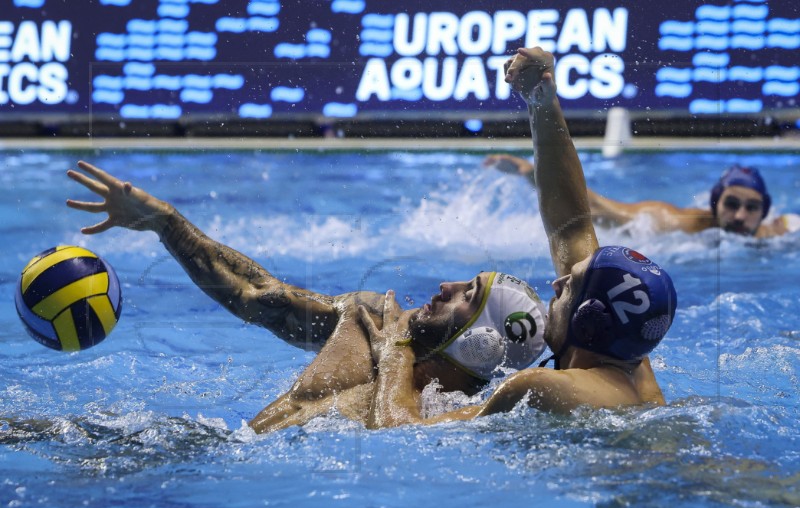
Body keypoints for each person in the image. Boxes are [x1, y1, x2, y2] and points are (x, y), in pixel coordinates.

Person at [65, 169, 547, 433]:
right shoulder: (370, 316)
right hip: (215, 449)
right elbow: (259, 298)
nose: (447, 286)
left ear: (480, 343)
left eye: (468, 295)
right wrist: (166, 223)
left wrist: (396, 354)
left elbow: (396, 435)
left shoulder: (457, 418)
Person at [358, 47, 677, 427]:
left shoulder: (541, 386)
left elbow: (400, 431)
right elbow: (571, 225)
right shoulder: (627, 353)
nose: (556, 282)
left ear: (587, 322)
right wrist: (542, 103)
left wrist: (394, 350)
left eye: (568, 287)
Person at [484, 153, 798, 238]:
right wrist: (535, 174)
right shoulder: (676, 223)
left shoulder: (781, 232)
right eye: (731, 204)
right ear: (715, 204)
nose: (741, 216)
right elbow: (594, 208)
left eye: (752, 207)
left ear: (765, 210)